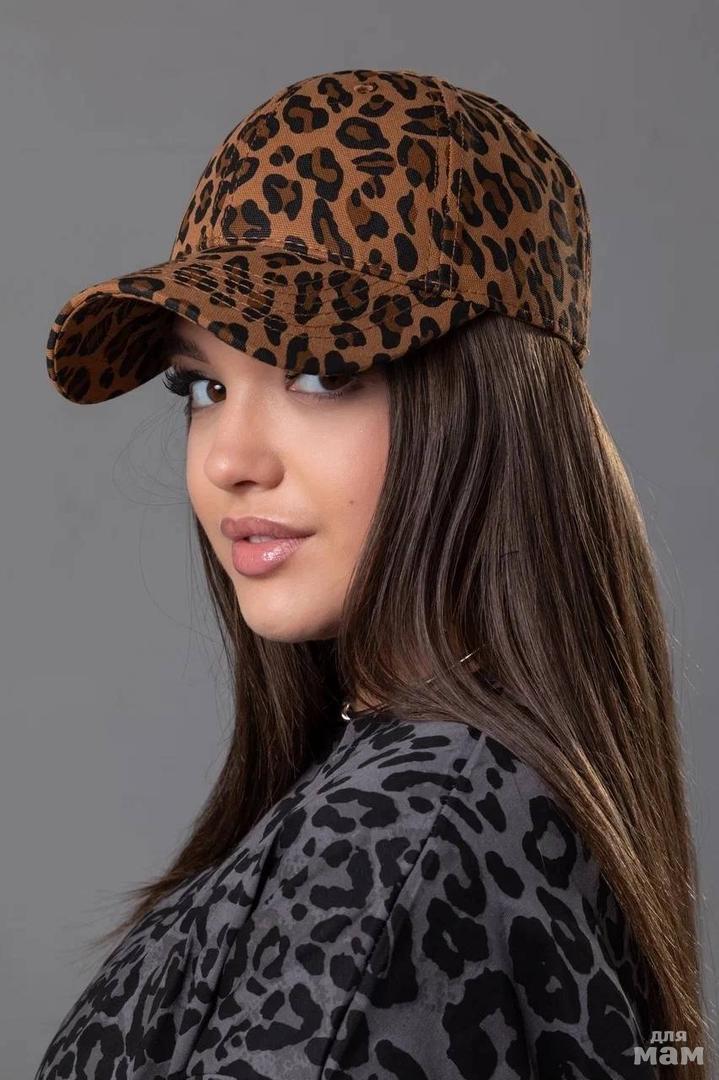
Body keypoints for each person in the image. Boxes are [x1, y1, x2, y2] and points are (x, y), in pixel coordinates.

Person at [35, 68, 710, 1078]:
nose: (229, 460)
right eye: (201, 387)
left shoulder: (400, 834)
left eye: (318, 371)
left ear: (487, 407)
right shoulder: (448, 795)